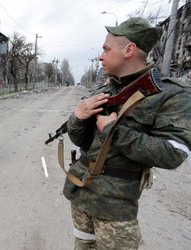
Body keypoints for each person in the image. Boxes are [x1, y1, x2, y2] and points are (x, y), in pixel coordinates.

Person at [62, 17, 191, 249]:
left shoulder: (170, 94)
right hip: (81, 193)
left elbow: (173, 154)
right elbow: (82, 141)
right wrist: (77, 118)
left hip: (116, 206)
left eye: (106, 49)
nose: (101, 56)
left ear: (129, 50)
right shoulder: (105, 90)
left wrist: (115, 132)